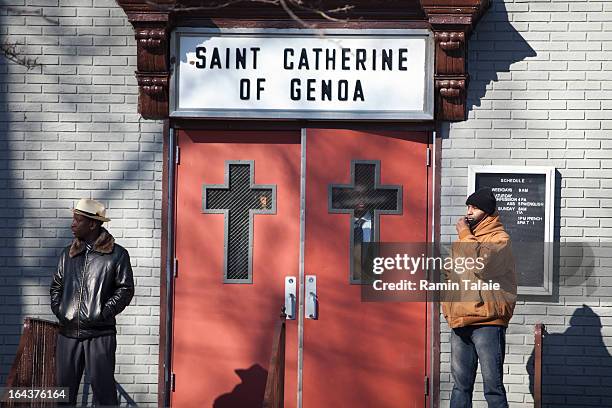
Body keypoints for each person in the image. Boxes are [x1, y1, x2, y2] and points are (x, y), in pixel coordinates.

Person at [50, 198, 134, 406]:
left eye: (77, 220)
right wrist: (62, 311)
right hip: (68, 334)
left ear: (93, 224)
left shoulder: (117, 255)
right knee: (63, 396)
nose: (73, 224)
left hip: (100, 336)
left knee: (104, 397)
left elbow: (125, 290)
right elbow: (56, 287)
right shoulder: (67, 254)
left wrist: (102, 313)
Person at [441, 187, 517, 408]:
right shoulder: (465, 240)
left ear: (486, 210)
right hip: (460, 321)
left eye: (474, 207)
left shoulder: (500, 239)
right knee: (460, 387)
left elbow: (481, 264)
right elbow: (450, 277)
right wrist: (448, 308)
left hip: (488, 322)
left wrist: (464, 234)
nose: (469, 211)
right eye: (468, 206)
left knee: (492, 388)